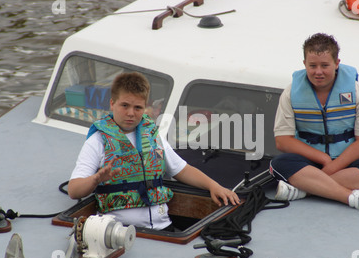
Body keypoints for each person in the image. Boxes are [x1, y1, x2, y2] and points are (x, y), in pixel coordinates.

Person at [68, 72, 240, 231]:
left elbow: (182, 170)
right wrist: (96, 179)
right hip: (118, 231)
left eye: (138, 108)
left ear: (145, 108)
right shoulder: (97, 141)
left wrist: (214, 186)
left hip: (162, 228)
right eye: (124, 105)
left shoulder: (152, 135)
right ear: (112, 104)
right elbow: (74, 190)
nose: (130, 113)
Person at [269, 33, 359, 212]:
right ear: (304, 65)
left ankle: (305, 190)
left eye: (325, 65)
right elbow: (282, 141)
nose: (318, 72)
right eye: (312, 66)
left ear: (336, 63)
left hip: (345, 162)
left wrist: (331, 166)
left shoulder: (357, 91)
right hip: (308, 162)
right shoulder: (290, 92)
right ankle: (350, 198)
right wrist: (322, 158)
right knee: (278, 164)